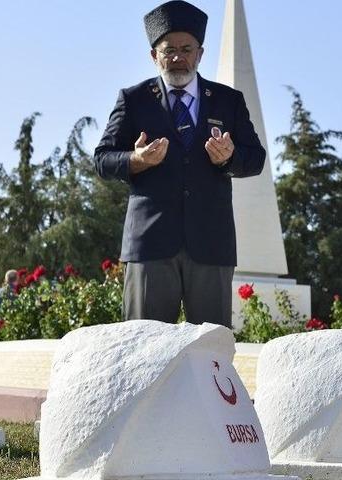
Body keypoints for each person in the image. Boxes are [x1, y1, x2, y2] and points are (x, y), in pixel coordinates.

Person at [93, 0, 266, 328]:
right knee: (144, 352)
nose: (177, 57)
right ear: (153, 56)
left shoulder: (229, 101)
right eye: (167, 49)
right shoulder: (134, 100)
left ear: (200, 53)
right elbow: (102, 159)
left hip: (211, 245)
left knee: (212, 355)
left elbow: (255, 159)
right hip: (150, 244)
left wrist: (229, 157)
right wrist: (136, 160)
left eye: (186, 48)